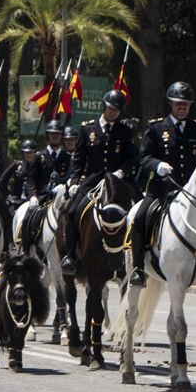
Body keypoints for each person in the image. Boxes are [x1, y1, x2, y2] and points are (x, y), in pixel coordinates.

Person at [129, 81, 196, 286]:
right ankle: (138, 268)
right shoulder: (156, 128)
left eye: (185, 103)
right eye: (177, 103)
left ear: (190, 105)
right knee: (140, 218)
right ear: (170, 104)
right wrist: (157, 165)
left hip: (191, 192)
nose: (181, 107)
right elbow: (144, 156)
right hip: (162, 188)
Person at [60, 89, 138, 274]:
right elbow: (78, 159)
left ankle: (136, 258)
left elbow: (132, 157)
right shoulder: (88, 129)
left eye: (116, 110)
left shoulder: (125, 131)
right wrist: (73, 182)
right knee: (71, 210)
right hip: (93, 180)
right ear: (104, 106)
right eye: (110, 108)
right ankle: (69, 254)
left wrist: (121, 171)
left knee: (138, 209)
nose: (112, 113)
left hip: (117, 181)